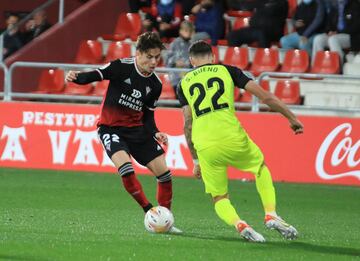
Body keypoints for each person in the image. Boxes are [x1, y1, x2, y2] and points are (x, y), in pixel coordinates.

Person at [177, 41, 304, 242]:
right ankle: (270, 213)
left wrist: (195, 161)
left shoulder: (183, 84)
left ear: (191, 61)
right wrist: (291, 117)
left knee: (219, 197)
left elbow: (187, 124)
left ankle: (240, 224)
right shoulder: (228, 71)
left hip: (204, 144)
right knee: (260, 167)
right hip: (231, 136)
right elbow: (266, 97)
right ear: (212, 56)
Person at [65, 32, 181, 233]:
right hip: (110, 128)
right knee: (126, 169)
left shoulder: (155, 84)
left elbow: (148, 115)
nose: (154, 62)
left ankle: (165, 219)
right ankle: (149, 211)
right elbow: (94, 75)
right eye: (150, 57)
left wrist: (156, 132)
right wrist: (76, 77)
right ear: (139, 53)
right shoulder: (121, 66)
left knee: (165, 175)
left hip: (137, 130)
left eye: (157, 57)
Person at [165, 20, 195, 96]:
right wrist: (175, 62)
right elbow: (167, 60)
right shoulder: (174, 44)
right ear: (180, 31)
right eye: (186, 31)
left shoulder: (193, 45)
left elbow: (195, 63)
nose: (188, 33)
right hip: (176, 78)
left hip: (189, 78)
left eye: (190, 31)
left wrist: (187, 63)